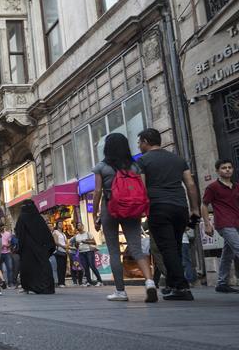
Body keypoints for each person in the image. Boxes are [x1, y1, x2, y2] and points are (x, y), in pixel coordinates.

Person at [137, 128, 200, 301]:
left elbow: (141, 188)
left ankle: (182, 287)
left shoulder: (142, 161)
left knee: (167, 248)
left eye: (139, 142)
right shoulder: (178, 159)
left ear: (145, 142)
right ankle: (172, 285)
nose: (139, 146)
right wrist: (194, 209)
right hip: (180, 207)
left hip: (158, 207)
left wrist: (141, 210)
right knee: (176, 246)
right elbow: (190, 184)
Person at [93, 132, 156, 302]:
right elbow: (142, 188)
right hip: (132, 209)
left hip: (110, 209)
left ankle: (120, 292)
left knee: (114, 250)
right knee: (136, 248)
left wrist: (95, 215)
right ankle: (150, 282)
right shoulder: (134, 166)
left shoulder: (101, 167)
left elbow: (97, 191)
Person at [202, 159, 239, 293]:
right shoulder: (212, 187)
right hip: (224, 223)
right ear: (218, 171)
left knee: (227, 254)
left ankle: (222, 283)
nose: (227, 170)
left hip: (237, 222)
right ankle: (222, 282)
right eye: (224, 168)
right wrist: (207, 224)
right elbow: (204, 205)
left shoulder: (236, 186)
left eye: (229, 167)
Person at [15, 199, 56, 294]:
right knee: (42, 266)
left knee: (28, 267)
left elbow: (19, 233)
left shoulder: (22, 218)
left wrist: (19, 247)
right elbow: (46, 235)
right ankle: (44, 286)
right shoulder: (39, 218)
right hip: (40, 249)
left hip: (27, 248)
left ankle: (29, 287)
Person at [72, 222, 102, 286]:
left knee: (92, 266)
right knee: (85, 267)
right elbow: (77, 246)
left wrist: (84, 241)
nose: (79, 226)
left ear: (83, 226)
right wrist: (76, 245)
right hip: (81, 252)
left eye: (80, 225)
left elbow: (94, 242)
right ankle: (89, 281)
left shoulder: (88, 233)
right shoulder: (76, 236)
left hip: (89, 251)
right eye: (78, 226)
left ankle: (100, 281)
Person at [51, 222, 68, 288]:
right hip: (59, 251)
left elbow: (66, 242)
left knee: (64, 267)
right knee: (60, 267)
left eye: (62, 224)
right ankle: (60, 282)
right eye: (60, 224)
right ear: (57, 225)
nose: (61, 225)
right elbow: (55, 242)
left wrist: (66, 247)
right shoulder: (55, 232)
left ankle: (63, 282)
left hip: (64, 251)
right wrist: (63, 246)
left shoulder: (63, 234)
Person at [0, 225, 14, 289]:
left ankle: (10, 283)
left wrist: (7, 245)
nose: (2, 228)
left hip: (7, 253)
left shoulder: (8, 234)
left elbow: (10, 243)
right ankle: (2, 282)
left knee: (10, 268)